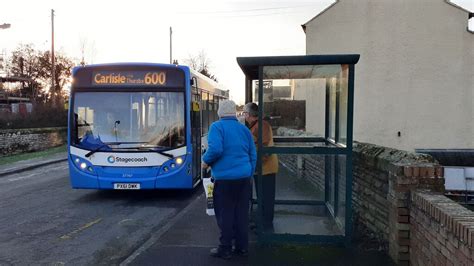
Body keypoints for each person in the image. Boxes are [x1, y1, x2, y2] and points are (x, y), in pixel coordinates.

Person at [202, 100, 257, 260]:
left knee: (225, 215)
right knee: (241, 214)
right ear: (234, 113)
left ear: (220, 113)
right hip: (243, 179)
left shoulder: (217, 127)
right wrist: (249, 173)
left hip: (225, 180)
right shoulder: (244, 129)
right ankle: (242, 248)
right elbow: (253, 154)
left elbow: (216, 149)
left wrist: (205, 162)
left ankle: (225, 248)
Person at [243, 102, 279, 231]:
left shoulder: (261, 125)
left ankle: (266, 226)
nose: (244, 116)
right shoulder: (256, 126)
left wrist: (256, 164)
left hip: (266, 169)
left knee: (266, 199)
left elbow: (264, 148)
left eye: (244, 113)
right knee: (261, 197)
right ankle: (261, 223)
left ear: (249, 114)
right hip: (261, 169)